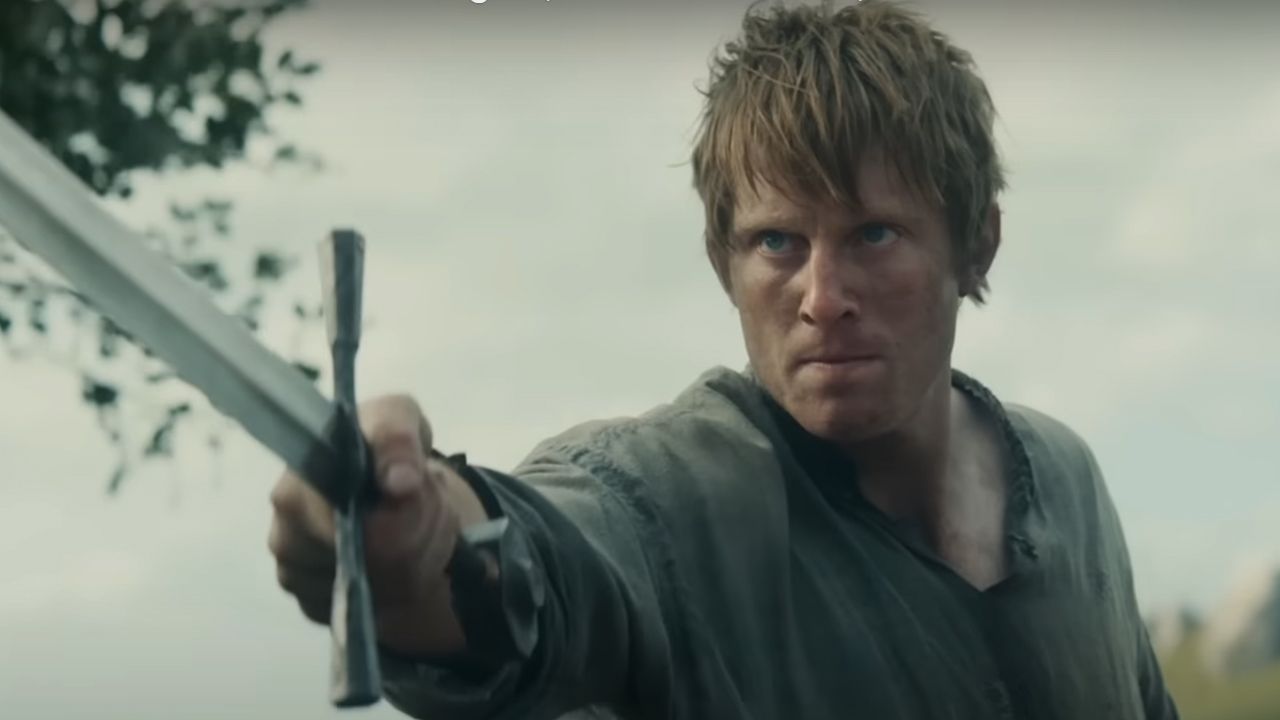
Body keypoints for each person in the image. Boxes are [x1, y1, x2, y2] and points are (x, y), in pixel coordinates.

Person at [268, 2, 1180, 718]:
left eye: (873, 233)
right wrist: (418, 537)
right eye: (778, 242)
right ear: (724, 265)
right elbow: (548, 562)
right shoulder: (675, 501)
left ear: (976, 245)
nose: (822, 296)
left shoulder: (1064, 477)